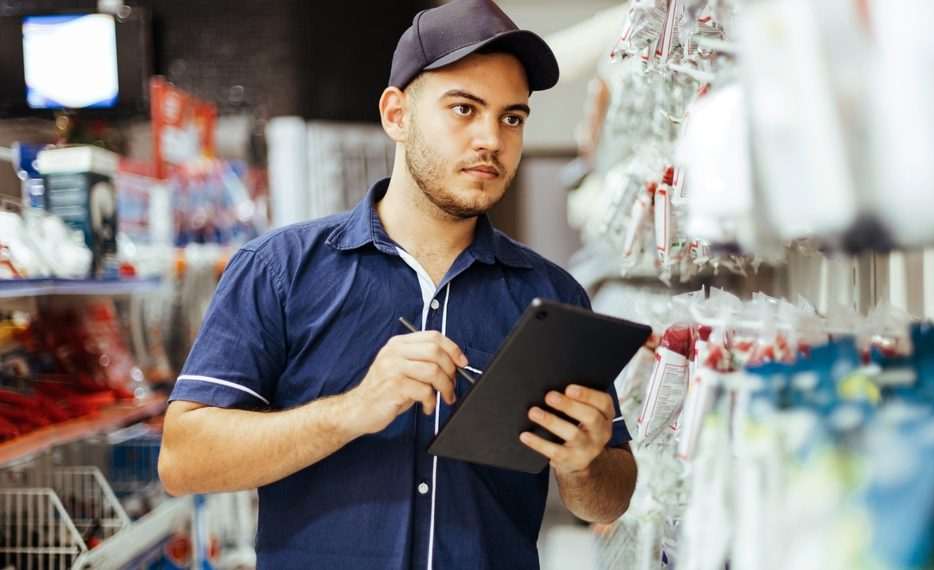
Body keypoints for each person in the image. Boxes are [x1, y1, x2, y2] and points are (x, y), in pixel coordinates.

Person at [158, 0, 638, 567]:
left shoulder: (553, 296)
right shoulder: (279, 270)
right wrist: (353, 409)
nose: (491, 138)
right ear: (396, 114)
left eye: (512, 117)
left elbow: (609, 497)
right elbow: (183, 460)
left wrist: (584, 463)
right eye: (464, 109)